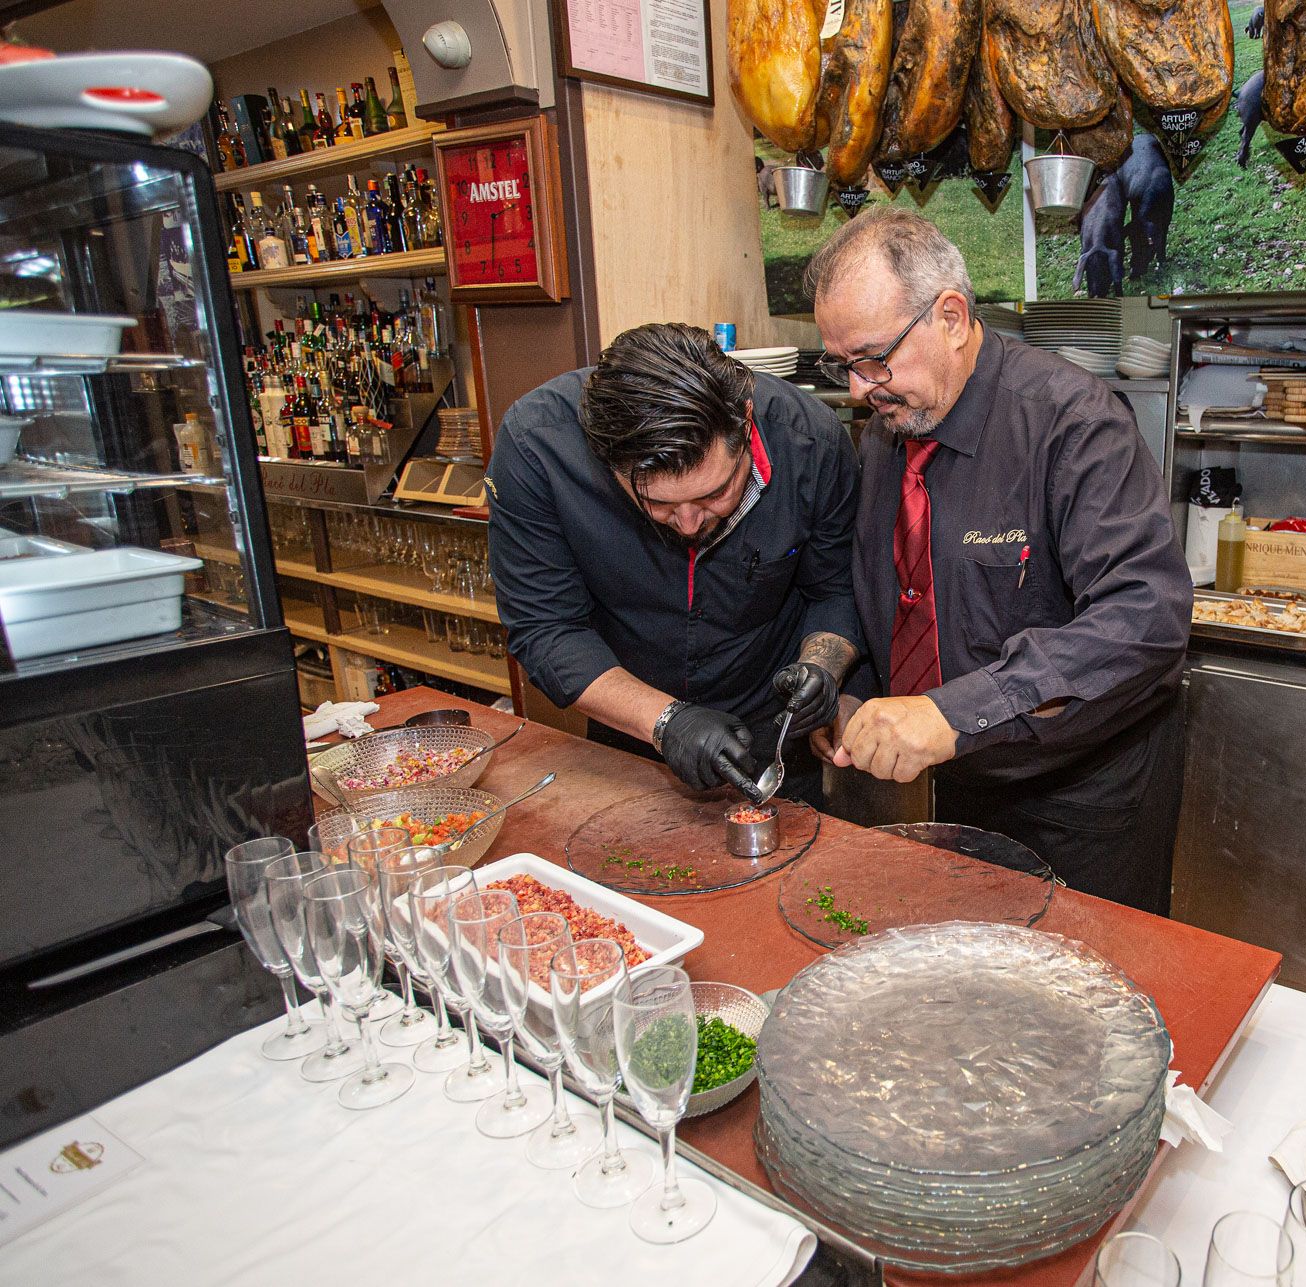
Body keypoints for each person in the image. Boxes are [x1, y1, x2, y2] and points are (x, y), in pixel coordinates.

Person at [805, 209, 1192, 913]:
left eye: (872, 357)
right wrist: (855, 693)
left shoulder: (1073, 423)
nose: (859, 388)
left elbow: (1147, 616)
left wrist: (954, 712)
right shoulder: (888, 432)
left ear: (950, 316)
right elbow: (887, 594)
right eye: (843, 364)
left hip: (1078, 798)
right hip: (956, 783)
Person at [487, 322, 859, 804]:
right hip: (631, 725)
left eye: (716, 492)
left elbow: (834, 588)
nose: (686, 523)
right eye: (658, 503)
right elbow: (545, 627)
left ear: (744, 423)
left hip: (774, 730)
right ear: (605, 458)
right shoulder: (536, 445)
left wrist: (822, 670)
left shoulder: (811, 441)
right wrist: (667, 720)